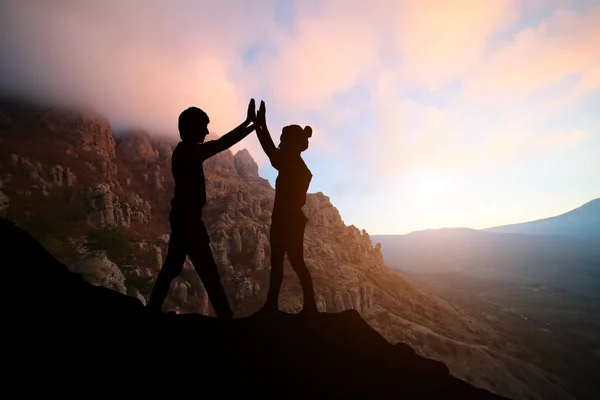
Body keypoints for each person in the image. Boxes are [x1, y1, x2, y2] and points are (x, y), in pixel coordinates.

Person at [146, 99, 257, 319]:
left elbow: (219, 143)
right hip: (189, 222)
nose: (207, 132)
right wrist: (249, 124)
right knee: (208, 273)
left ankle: (153, 309)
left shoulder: (185, 151)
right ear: (191, 128)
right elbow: (222, 143)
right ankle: (226, 319)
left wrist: (250, 124)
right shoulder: (188, 152)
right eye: (203, 127)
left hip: (184, 219)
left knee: (174, 268)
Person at [254, 100, 318, 315]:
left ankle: (301, 306)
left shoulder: (291, 164)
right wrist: (260, 123)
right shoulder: (299, 167)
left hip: (286, 220)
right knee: (287, 263)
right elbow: (270, 148)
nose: (281, 145)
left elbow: (268, 147)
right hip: (287, 219)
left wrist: (259, 123)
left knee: (288, 263)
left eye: (284, 141)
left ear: (290, 144)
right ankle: (293, 305)